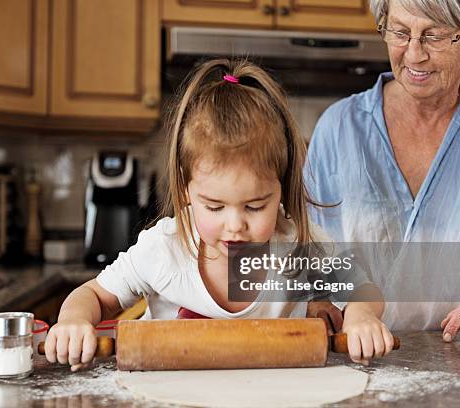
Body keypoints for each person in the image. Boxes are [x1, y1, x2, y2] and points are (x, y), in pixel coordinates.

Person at [45, 59, 394, 371]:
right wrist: (74, 321)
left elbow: (362, 288)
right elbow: (93, 295)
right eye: (214, 207)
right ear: (186, 191)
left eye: (255, 206)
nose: (235, 225)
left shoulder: (299, 245)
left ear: (281, 192)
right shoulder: (163, 250)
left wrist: (361, 316)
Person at [305, 0, 460, 339]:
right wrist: (312, 301)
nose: (414, 55)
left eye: (435, 36)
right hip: (353, 360)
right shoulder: (338, 129)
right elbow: (306, 255)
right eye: (400, 32)